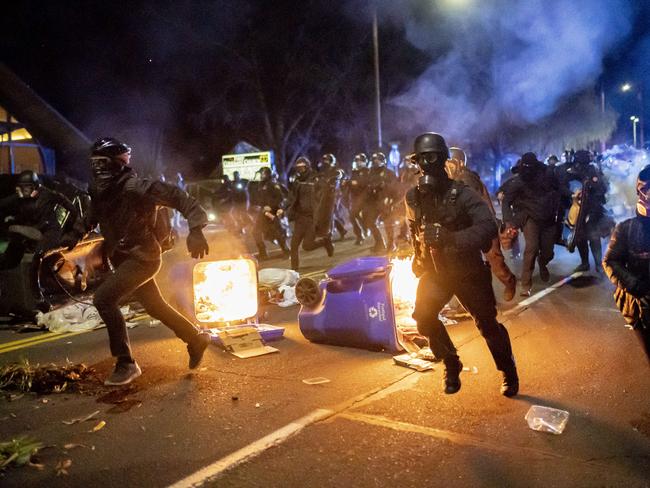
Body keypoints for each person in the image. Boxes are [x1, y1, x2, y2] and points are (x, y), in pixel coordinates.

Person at [72, 137, 212, 386]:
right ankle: (195, 338)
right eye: (94, 164)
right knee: (154, 305)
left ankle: (126, 363)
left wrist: (196, 229)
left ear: (118, 163)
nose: (98, 169)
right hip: (124, 258)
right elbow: (94, 214)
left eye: (102, 163)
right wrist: (74, 232)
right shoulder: (99, 190)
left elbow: (180, 198)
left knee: (104, 299)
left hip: (143, 258)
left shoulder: (136, 187)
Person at [407, 132, 518, 396]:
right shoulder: (414, 197)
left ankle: (508, 371)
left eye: (431, 157)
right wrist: (418, 256)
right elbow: (414, 229)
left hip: (467, 271)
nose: (425, 165)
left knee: (488, 326)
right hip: (436, 272)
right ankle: (451, 361)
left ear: (444, 159)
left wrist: (451, 238)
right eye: (420, 160)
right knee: (423, 318)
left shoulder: (463, 193)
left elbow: (488, 226)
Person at [445, 147, 517, 301]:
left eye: (449, 163)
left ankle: (510, 282)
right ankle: (474, 300)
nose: (446, 167)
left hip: (484, 226)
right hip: (467, 229)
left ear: (458, 163)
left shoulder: (467, 179)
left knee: (495, 261)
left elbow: (468, 206)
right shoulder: (451, 180)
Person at [603, 164, 650, 364]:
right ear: (642, 192)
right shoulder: (626, 229)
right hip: (640, 306)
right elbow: (610, 260)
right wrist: (634, 284)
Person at [502, 153, 561, 296]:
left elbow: (559, 190)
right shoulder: (518, 181)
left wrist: (567, 199)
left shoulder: (548, 175)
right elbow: (506, 201)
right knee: (531, 248)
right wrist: (509, 221)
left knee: (548, 252)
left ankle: (543, 263)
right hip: (529, 217)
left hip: (548, 217)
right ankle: (525, 284)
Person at [0, 170, 80, 270]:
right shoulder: (22, 197)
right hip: (35, 226)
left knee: (41, 260)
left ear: (34, 187)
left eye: (26, 187)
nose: (22, 190)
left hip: (49, 230)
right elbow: (5, 203)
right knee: (16, 235)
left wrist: (73, 227)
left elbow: (70, 207)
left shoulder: (48, 195)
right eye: (21, 187)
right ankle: (7, 263)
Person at [562, 149, 611, 272]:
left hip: (592, 209)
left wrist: (591, 187)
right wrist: (572, 193)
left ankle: (598, 264)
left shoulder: (593, 171)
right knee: (580, 237)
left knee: (594, 237)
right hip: (577, 209)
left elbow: (602, 188)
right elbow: (563, 186)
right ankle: (585, 263)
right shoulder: (571, 171)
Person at [286, 157, 334, 271]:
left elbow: (325, 191)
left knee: (307, 246)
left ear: (307, 167)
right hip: (300, 217)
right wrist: (283, 208)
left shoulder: (315, 179)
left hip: (312, 218)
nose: (300, 170)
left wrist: (331, 183)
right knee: (294, 245)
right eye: (298, 168)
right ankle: (294, 270)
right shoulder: (297, 181)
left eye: (302, 167)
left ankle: (325, 241)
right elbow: (292, 197)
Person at [364, 152, 400, 253]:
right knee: (370, 222)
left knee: (388, 223)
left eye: (378, 160)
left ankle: (391, 243)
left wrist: (390, 198)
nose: (376, 162)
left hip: (385, 202)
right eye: (374, 160)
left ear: (383, 161)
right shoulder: (370, 173)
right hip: (373, 202)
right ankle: (379, 243)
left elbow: (396, 188)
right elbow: (366, 186)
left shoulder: (389, 173)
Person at [250, 167, 289, 260]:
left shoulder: (273, 183)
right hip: (263, 212)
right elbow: (261, 198)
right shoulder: (261, 184)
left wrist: (271, 206)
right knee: (255, 232)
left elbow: (280, 197)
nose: (260, 176)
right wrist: (258, 205)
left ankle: (287, 252)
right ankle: (263, 253)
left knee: (278, 232)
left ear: (266, 174)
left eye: (262, 174)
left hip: (273, 212)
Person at [315, 153, 347, 240]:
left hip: (335, 194)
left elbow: (340, 174)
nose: (325, 162)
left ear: (331, 161)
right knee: (328, 214)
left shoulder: (336, 170)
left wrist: (333, 178)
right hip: (325, 195)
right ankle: (342, 230)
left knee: (331, 213)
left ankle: (329, 233)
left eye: (327, 160)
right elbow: (318, 181)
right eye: (324, 160)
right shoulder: (323, 172)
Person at [344, 153, 370, 245]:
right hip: (356, 198)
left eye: (360, 161)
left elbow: (365, 183)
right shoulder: (354, 172)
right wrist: (347, 183)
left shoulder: (367, 171)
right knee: (352, 216)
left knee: (367, 217)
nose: (358, 163)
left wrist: (356, 183)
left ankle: (366, 228)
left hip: (366, 198)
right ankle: (360, 235)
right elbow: (351, 183)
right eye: (357, 161)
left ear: (364, 162)